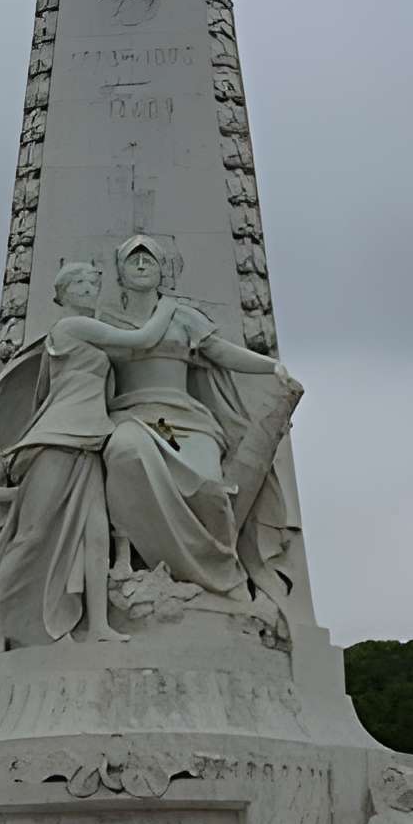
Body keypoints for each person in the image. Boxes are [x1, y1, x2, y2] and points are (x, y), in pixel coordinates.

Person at [0, 264, 176, 656]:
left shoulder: (85, 339)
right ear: (62, 294)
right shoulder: (69, 329)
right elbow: (143, 339)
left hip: (91, 440)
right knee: (30, 535)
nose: (89, 286)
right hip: (58, 438)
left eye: (93, 281)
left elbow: (51, 390)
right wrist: (167, 307)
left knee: (96, 536)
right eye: (78, 282)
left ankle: (98, 627)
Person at [100, 235, 301, 613]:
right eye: (132, 261)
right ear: (120, 273)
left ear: (163, 272)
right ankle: (130, 560)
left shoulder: (181, 317)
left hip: (182, 423)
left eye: (149, 261)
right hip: (134, 416)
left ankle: (218, 573)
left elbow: (222, 353)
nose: (141, 266)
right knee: (126, 451)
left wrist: (271, 366)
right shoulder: (104, 322)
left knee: (209, 487)